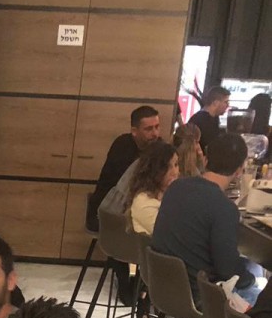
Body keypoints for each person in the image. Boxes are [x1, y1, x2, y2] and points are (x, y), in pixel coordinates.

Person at [152, 133, 260, 305]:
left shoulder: (176, 187)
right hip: (198, 296)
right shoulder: (225, 208)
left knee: (251, 269)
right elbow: (227, 270)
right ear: (240, 170)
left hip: (159, 283)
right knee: (259, 288)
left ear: (205, 160)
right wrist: (251, 280)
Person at [88, 106, 161, 230]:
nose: (155, 134)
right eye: (148, 129)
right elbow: (128, 187)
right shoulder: (122, 146)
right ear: (134, 131)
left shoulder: (159, 148)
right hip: (110, 211)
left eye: (157, 127)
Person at [126, 141, 180, 236]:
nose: (175, 172)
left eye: (176, 165)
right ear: (154, 170)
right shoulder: (143, 201)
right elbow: (171, 234)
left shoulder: (172, 194)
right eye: (167, 167)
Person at [188, 85, 230, 152]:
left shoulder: (215, 118)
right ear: (215, 103)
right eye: (226, 102)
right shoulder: (200, 120)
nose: (228, 105)